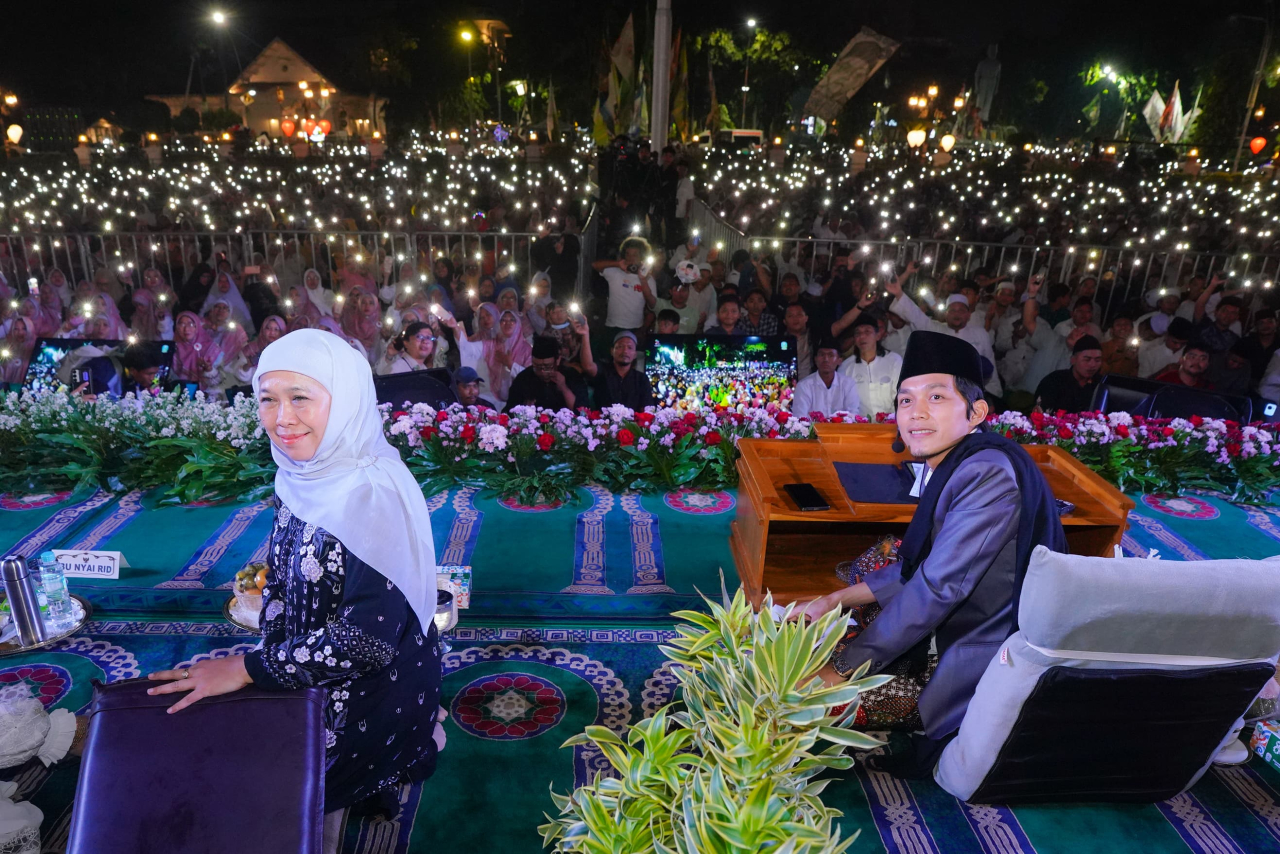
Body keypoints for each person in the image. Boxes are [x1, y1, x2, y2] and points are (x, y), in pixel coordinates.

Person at [148, 329, 446, 835]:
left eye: (300, 398)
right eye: (268, 399)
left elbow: (366, 643)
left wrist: (249, 669)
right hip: (301, 664)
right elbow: (286, 576)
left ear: (347, 399)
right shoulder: (304, 472)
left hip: (369, 693)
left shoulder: (369, 494)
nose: (282, 419)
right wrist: (268, 658)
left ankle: (386, 763)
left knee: (235, 790)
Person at [797, 330, 1066, 778]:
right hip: (948, 620)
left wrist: (840, 672)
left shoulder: (988, 474)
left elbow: (936, 587)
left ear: (976, 411)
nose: (916, 413)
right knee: (875, 561)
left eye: (936, 397)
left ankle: (914, 712)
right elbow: (914, 567)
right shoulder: (963, 459)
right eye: (905, 400)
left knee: (800, 703)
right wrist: (830, 601)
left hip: (968, 653)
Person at [885, 268, 1002, 398]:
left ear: (968, 314)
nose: (956, 314)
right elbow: (915, 315)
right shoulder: (936, 329)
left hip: (975, 393)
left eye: (961, 310)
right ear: (946, 314)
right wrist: (899, 293)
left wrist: (991, 394)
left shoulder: (980, 333)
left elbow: (989, 366)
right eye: (952, 310)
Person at [839, 314, 903, 418]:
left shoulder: (894, 361)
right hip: (860, 427)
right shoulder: (846, 367)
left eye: (867, 332)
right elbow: (843, 404)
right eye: (857, 333)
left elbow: (901, 396)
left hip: (892, 425)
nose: (862, 336)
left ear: (878, 335)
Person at [593, 237, 657, 339]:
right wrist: (617, 264)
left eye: (635, 255)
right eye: (627, 254)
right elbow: (595, 265)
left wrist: (643, 280)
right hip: (612, 325)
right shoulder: (615, 272)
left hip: (635, 327)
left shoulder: (648, 279)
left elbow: (653, 305)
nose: (630, 258)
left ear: (642, 257)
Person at [791, 338, 862, 417]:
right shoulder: (804, 386)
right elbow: (800, 417)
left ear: (839, 360)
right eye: (822, 355)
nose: (826, 359)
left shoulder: (848, 384)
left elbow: (852, 414)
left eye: (831, 355)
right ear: (815, 359)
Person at [588, 331, 656, 411]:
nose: (625, 351)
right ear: (612, 351)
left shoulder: (641, 379)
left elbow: (647, 408)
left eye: (630, 348)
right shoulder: (602, 372)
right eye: (620, 347)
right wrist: (585, 334)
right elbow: (588, 367)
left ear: (635, 354)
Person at [1034, 335, 1103, 413]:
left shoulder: (1102, 385)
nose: (1092, 365)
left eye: (1097, 360)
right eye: (1087, 360)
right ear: (1073, 360)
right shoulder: (1054, 381)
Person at [505, 336, 577, 411]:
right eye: (537, 367)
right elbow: (509, 410)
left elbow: (580, 412)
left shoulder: (571, 376)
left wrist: (564, 388)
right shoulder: (523, 378)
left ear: (558, 360)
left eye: (548, 367)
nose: (542, 372)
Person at [653, 264, 704, 334]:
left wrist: (701, 324)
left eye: (684, 290)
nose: (681, 293)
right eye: (677, 290)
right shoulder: (661, 304)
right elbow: (648, 296)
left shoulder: (695, 313)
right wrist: (643, 280)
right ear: (670, 291)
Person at [1239, 308, 1278, 386]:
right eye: (1261, 323)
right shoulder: (1245, 343)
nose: (1265, 326)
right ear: (1256, 325)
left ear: (1277, 323)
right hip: (1243, 386)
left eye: (1270, 322)